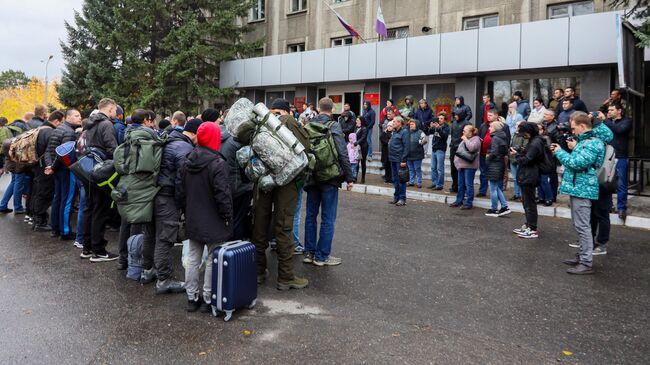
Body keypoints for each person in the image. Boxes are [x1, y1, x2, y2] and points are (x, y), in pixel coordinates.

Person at [252, 98, 311, 289]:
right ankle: (286, 277)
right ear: (287, 110)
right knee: (284, 225)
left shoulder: (259, 122)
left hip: (262, 179)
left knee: (259, 224)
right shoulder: (289, 122)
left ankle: (259, 271)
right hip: (287, 181)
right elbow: (306, 148)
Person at [182, 122, 233, 311]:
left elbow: (181, 191)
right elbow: (223, 194)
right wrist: (227, 215)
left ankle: (191, 297)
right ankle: (208, 298)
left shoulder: (187, 160)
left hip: (193, 217)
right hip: (214, 219)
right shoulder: (218, 163)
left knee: (193, 258)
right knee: (213, 258)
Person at [551, 112, 606, 275]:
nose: (573, 131)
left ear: (583, 126)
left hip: (583, 189)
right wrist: (571, 149)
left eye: (574, 128)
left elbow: (576, 163)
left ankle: (586, 262)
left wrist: (559, 152)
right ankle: (582, 256)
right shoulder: (584, 142)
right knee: (579, 225)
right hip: (578, 188)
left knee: (583, 227)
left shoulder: (593, 143)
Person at [152, 118, 202, 294]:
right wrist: (183, 203)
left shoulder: (169, 139)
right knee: (166, 238)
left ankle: (148, 269)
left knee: (152, 234)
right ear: (194, 133)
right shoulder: (184, 147)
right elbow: (183, 180)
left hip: (154, 193)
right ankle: (164, 279)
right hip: (168, 197)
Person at [303, 97, 354, 267]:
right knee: (327, 218)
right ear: (332, 110)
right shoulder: (334, 126)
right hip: (330, 178)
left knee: (311, 216)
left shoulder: (308, 125)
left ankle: (309, 253)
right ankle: (322, 256)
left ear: (318, 108)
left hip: (311, 176)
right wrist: (349, 177)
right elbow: (342, 152)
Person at [80, 98, 119, 263]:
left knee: (90, 208)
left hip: (88, 169)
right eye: (115, 111)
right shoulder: (106, 124)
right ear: (110, 109)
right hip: (101, 172)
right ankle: (98, 250)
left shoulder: (89, 123)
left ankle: (87, 247)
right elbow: (112, 149)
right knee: (100, 210)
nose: (116, 114)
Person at [43, 109, 82, 239]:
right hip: (65, 170)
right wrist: (52, 167)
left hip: (57, 170)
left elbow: (48, 151)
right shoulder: (69, 132)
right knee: (66, 200)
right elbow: (62, 154)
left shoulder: (57, 129)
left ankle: (55, 228)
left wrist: (50, 166)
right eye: (76, 116)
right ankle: (65, 231)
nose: (79, 118)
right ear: (68, 117)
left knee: (58, 198)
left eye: (80, 116)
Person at [510, 122, 546, 239]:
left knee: (529, 203)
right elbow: (528, 156)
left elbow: (528, 159)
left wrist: (517, 156)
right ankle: (528, 225)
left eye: (524, 133)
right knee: (527, 202)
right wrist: (519, 153)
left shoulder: (535, 143)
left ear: (529, 132)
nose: (523, 136)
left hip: (529, 175)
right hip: (527, 174)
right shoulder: (535, 141)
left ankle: (532, 228)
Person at [218, 120, 252, 242]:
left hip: (223, 187)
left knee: (227, 220)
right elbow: (248, 166)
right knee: (238, 221)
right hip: (240, 188)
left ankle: (226, 251)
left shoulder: (219, 138)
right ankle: (236, 250)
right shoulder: (237, 141)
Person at [31, 110, 63, 231]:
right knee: (45, 192)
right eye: (61, 122)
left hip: (37, 166)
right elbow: (50, 151)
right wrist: (51, 166)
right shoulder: (50, 132)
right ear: (56, 121)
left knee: (38, 191)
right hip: (45, 167)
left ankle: (36, 219)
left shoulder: (40, 129)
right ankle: (40, 222)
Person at [587, 113, 614, 256]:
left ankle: (602, 244)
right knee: (592, 213)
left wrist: (595, 120)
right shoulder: (596, 142)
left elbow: (608, 134)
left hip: (603, 183)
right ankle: (589, 241)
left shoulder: (603, 143)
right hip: (595, 183)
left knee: (602, 214)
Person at [603, 103, 632, 221]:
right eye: (608, 110)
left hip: (620, 157)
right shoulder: (607, 122)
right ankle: (609, 205)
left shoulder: (627, 121)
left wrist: (605, 120)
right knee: (606, 183)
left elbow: (619, 130)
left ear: (619, 111)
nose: (609, 112)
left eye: (611, 110)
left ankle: (621, 208)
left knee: (621, 184)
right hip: (607, 157)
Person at [449, 125, 481, 209]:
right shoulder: (464, 139)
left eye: (465, 131)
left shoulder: (476, 139)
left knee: (468, 184)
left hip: (470, 166)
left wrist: (465, 139)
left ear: (470, 132)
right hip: (461, 165)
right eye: (463, 131)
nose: (463, 132)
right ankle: (459, 200)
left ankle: (469, 202)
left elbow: (472, 148)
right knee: (460, 184)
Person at [484, 119, 511, 217]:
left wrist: (487, 159)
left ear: (495, 128)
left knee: (493, 189)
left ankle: (494, 208)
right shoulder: (502, 137)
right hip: (499, 164)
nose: (489, 128)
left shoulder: (495, 138)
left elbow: (494, 152)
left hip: (494, 164)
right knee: (496, 188)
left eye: (491, 127)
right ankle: (504, 206)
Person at [388, 117, 409, 205]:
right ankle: (396, 198)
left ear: (399, 123)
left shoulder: (404, 132)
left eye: (394, 122)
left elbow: (407, 147)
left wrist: (403, 160)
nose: (392, 123)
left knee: (401, 180)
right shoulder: (395, 132)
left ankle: (402, 199)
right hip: (393, 158)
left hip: (400, 160)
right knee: (395, 180)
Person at [448, 111, 471, 193]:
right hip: (453, 148)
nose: (455, 116)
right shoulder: (453, 123)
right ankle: (455, 186)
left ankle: (463, 187)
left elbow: (469, 136)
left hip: (461, 148)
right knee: (453, 168)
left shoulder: (467, 123)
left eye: (457, 115)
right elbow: (452, 134)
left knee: (461, 168)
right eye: (454, 115)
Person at [428, 112, 450, 190]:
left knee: (440, 168)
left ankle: (440, 185)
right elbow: (429, 133)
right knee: (433, 167)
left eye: (441, 119)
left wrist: (439, 128)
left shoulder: (446, 127)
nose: (439, 120)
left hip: (441, 149)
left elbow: (444, 136)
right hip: (434, 149)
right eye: (439, 118)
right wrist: (431, 127)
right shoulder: (436, 126)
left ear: (444, 120)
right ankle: (434, 183)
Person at [536, 123, 554, 207]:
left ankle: (549, 198)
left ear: (543, 130)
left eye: (539, 129)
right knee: (539, 181)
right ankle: (541, 197)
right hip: (538, 162)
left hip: (545, 162)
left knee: (544, 181)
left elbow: (549, 148)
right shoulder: (535, 138)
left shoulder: (546, 138)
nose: (538, 131)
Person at [508, 120, 527, 201]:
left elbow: (525, 147)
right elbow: (511, 144)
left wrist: (517, 150)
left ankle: (523, 195)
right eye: (516, 125)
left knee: (521, 178)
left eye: (518, 125)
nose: (516, 126)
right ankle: (516, 194)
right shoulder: (514, 134)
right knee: (515, 178)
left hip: (520, 158)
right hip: (513, 158)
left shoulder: (525, 135)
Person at [405, 119, 426, 189]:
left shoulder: (421, 132)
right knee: (411, 169)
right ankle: (411, 182)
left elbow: (425, 141)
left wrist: (422, 141)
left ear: (416, 125)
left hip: (417, 154)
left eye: (412, 124)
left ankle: (419, 182)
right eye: (410, 124)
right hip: (409, 155)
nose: (411, 126)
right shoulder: (407, 132)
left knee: (417, 169)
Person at [380, 109, 395, 183]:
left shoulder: (394, 133)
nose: (389, 127)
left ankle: (391, 177)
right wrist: (388, 142)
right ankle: (387, 177)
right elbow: (382, 139)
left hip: (391, 152)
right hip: (385, 151)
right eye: (388, 126)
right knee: (386, 165)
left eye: (390, 126)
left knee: (391, 166)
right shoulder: (385, 133)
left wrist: (389, 142)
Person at [353, 116, 368, 183]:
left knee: (363, 162)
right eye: (356, 120)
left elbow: (363, 138)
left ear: (361, 121)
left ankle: (363, 178)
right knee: (356, 162)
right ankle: (355, 177)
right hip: (357, 147)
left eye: (357, 120)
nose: (356, 121)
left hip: (363, 147)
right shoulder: (356, 127)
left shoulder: (364, 128)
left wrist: (356, 143)